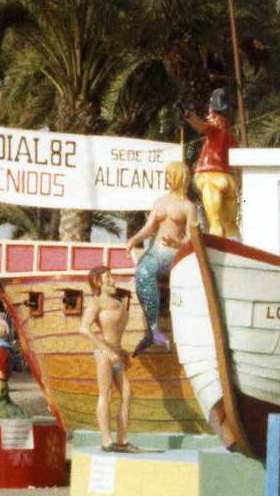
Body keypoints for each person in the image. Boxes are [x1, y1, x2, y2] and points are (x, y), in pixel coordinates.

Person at [126, 159, 198, 354]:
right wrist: (134, 238)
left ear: (179, 177)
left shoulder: (188, 206)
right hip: (155, 250)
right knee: (141, 272)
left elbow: (193, 237)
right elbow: (149, 228)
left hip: (173, 254)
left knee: (146, 270)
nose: (166, 178)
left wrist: (178, 244)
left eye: (169, 175)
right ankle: (154, 330)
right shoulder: (160, 202)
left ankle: (154, 331)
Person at [81, 266, 135, 452]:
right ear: (98, 281)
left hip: (116, 355)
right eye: (108, 277)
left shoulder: (117, 302)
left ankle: (122, 439)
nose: (113, 280)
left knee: (127, 393)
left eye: (112, 276)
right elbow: (84, 328)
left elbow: (116, 334)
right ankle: (106, 440)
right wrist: (108, 351)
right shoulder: (96, 303)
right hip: (104, 355)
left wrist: (121, 351)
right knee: (106, 393)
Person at [183, 88, 239, 239]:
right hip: (227, 178)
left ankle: (217, 244)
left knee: (215, 222)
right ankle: (235, 242)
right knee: (230, 223)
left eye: (210, 114)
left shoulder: (214, 131)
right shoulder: (231, 137)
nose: (208, 117)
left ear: (214, 115)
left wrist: (188, 114)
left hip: (210, 177)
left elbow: (200, 125)